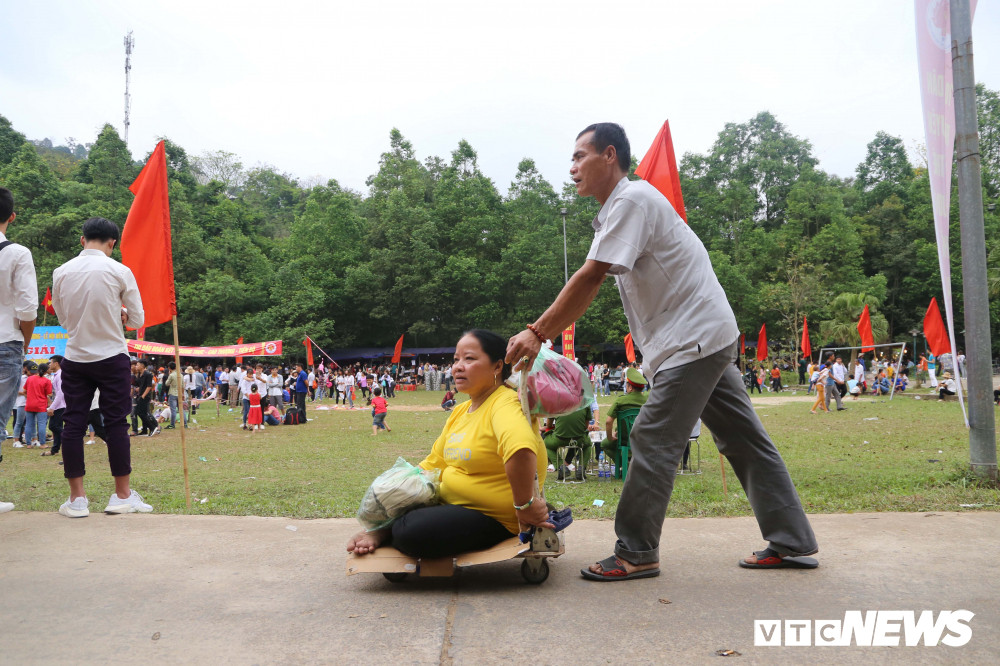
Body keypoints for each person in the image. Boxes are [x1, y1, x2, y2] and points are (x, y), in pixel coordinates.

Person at [505, 123, 817, 579]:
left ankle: (636, 552)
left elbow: (590, 277)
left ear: (609, 155)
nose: (572, 168)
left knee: (652, 438)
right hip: (703, 336)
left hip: (691, 340)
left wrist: (538, 332)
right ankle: (791, 540)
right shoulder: (619, 210)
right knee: (745, 440)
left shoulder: (631, 200)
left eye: (580, 156)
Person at [347, 330, 552, 559]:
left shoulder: (505, 403)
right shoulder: (461, 411)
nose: (458, 367)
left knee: (410, 531)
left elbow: (521, 450)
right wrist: (397, 488)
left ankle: (389, 532)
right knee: (395, 501)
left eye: (469, 359)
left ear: (497, 367)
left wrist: (525, 506)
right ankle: (384, 529)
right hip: (451, 504)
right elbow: (434, 462)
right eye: (456, 359)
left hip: (495, 516)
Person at [51, 216, 151, 517]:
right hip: (111, 355)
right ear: (112, 243)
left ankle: (77, 499)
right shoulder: (120, 270)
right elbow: (137, 319)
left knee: (73, 424)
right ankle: (122, 495)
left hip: (76, 357)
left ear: (82, 240)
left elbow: (63, 319)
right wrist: (121, 313)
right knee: (117, 424)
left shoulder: (61, 271)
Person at [0, 186, 37, 512]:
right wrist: (24, 342)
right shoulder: (17, 254)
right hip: (5, 341)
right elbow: (27, 309)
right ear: (11, 216)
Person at [599, 367, 649, 470]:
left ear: (630, 388)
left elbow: (608, 422)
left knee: (604, 444)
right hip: (643, 439)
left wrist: (610, 437)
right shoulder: (648, 401)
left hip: (623, 440)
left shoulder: (621, 401)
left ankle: (624, 464)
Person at [543, 405, 592, 481]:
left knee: (547, 445)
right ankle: (582, 468)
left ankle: (561, 467)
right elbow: (586, 425)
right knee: (588, 445)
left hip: (559, 439)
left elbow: (548, 425)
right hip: (578, 439)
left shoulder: (555, 404)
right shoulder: (585, 403)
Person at [23, 362, 52, 448]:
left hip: (29, 404)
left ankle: (28, 444)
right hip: (41, 405)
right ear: (46, 371)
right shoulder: (47, 381)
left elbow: (24, 391)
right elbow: (49, 394)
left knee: (28, 424)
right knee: (41, 424)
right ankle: (42, 443)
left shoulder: (30, 379)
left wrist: (30, 396)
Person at [43, 356, 66, 456]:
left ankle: (71, 438)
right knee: (56, 427)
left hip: (61, 405)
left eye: (51, 362)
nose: (49, 365)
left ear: (56, 363)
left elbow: (61, 392)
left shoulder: (60, 375)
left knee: (54, 426)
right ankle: (55, 450)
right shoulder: (57, 375)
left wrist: (52, 407)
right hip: (59, 404)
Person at [165, 362, 187, 429]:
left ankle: (172, 424)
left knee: (173, 410)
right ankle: (185, 423)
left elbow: (166, 383)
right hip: (179, 393)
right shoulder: (180, 375)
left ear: (169, 368)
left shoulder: (171, 375)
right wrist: (183, 394)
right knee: (181, 409)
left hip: (172, 393)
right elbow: (183, 386)